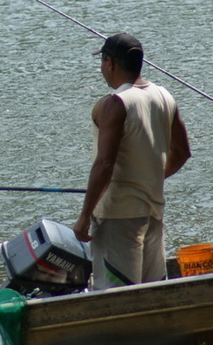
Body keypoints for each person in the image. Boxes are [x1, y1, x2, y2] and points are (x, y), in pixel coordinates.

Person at [72, 33, 191, 290]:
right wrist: (150, 179)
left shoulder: (115, 103)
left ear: (111, 63)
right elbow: (182, 153)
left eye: (103, 62)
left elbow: (104, 164)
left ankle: (119, 331)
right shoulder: (164, 96)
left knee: (116, 292)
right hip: (153, 209)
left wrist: (83, 216)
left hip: (118, 215)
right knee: (151, 290)